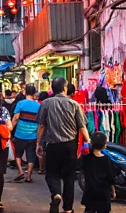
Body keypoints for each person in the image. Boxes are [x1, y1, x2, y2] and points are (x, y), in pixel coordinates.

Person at [36, 77, 91, 213]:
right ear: (65, 88)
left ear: (52, 89)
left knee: (52, 174)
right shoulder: (74, 104)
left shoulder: (46, 103)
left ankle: (56, 194)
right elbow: (82, 126)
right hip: (70, 146)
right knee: (69, 178)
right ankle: (68, 209)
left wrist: (38, 143)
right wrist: (88, 141)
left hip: (53, 145)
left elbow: (42, 125)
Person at [80, 132, 116, 213]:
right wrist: (113, 191)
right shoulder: (107, 160)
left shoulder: (87, 159)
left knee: (89, 210)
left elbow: (80, 165)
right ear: (104, 145)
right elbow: (111, 178)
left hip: (90, 193)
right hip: (103, 194)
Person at [12, 84, 40, 183]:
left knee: (18, 154)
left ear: (25, 92)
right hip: (33, 135)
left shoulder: (21, 103)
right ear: (34, 93)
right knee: (31, 156)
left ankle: (20, 171)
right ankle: (28, 176)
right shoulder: (38, 105)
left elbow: (16, 118)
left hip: (20, 134)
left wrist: (10, 128)